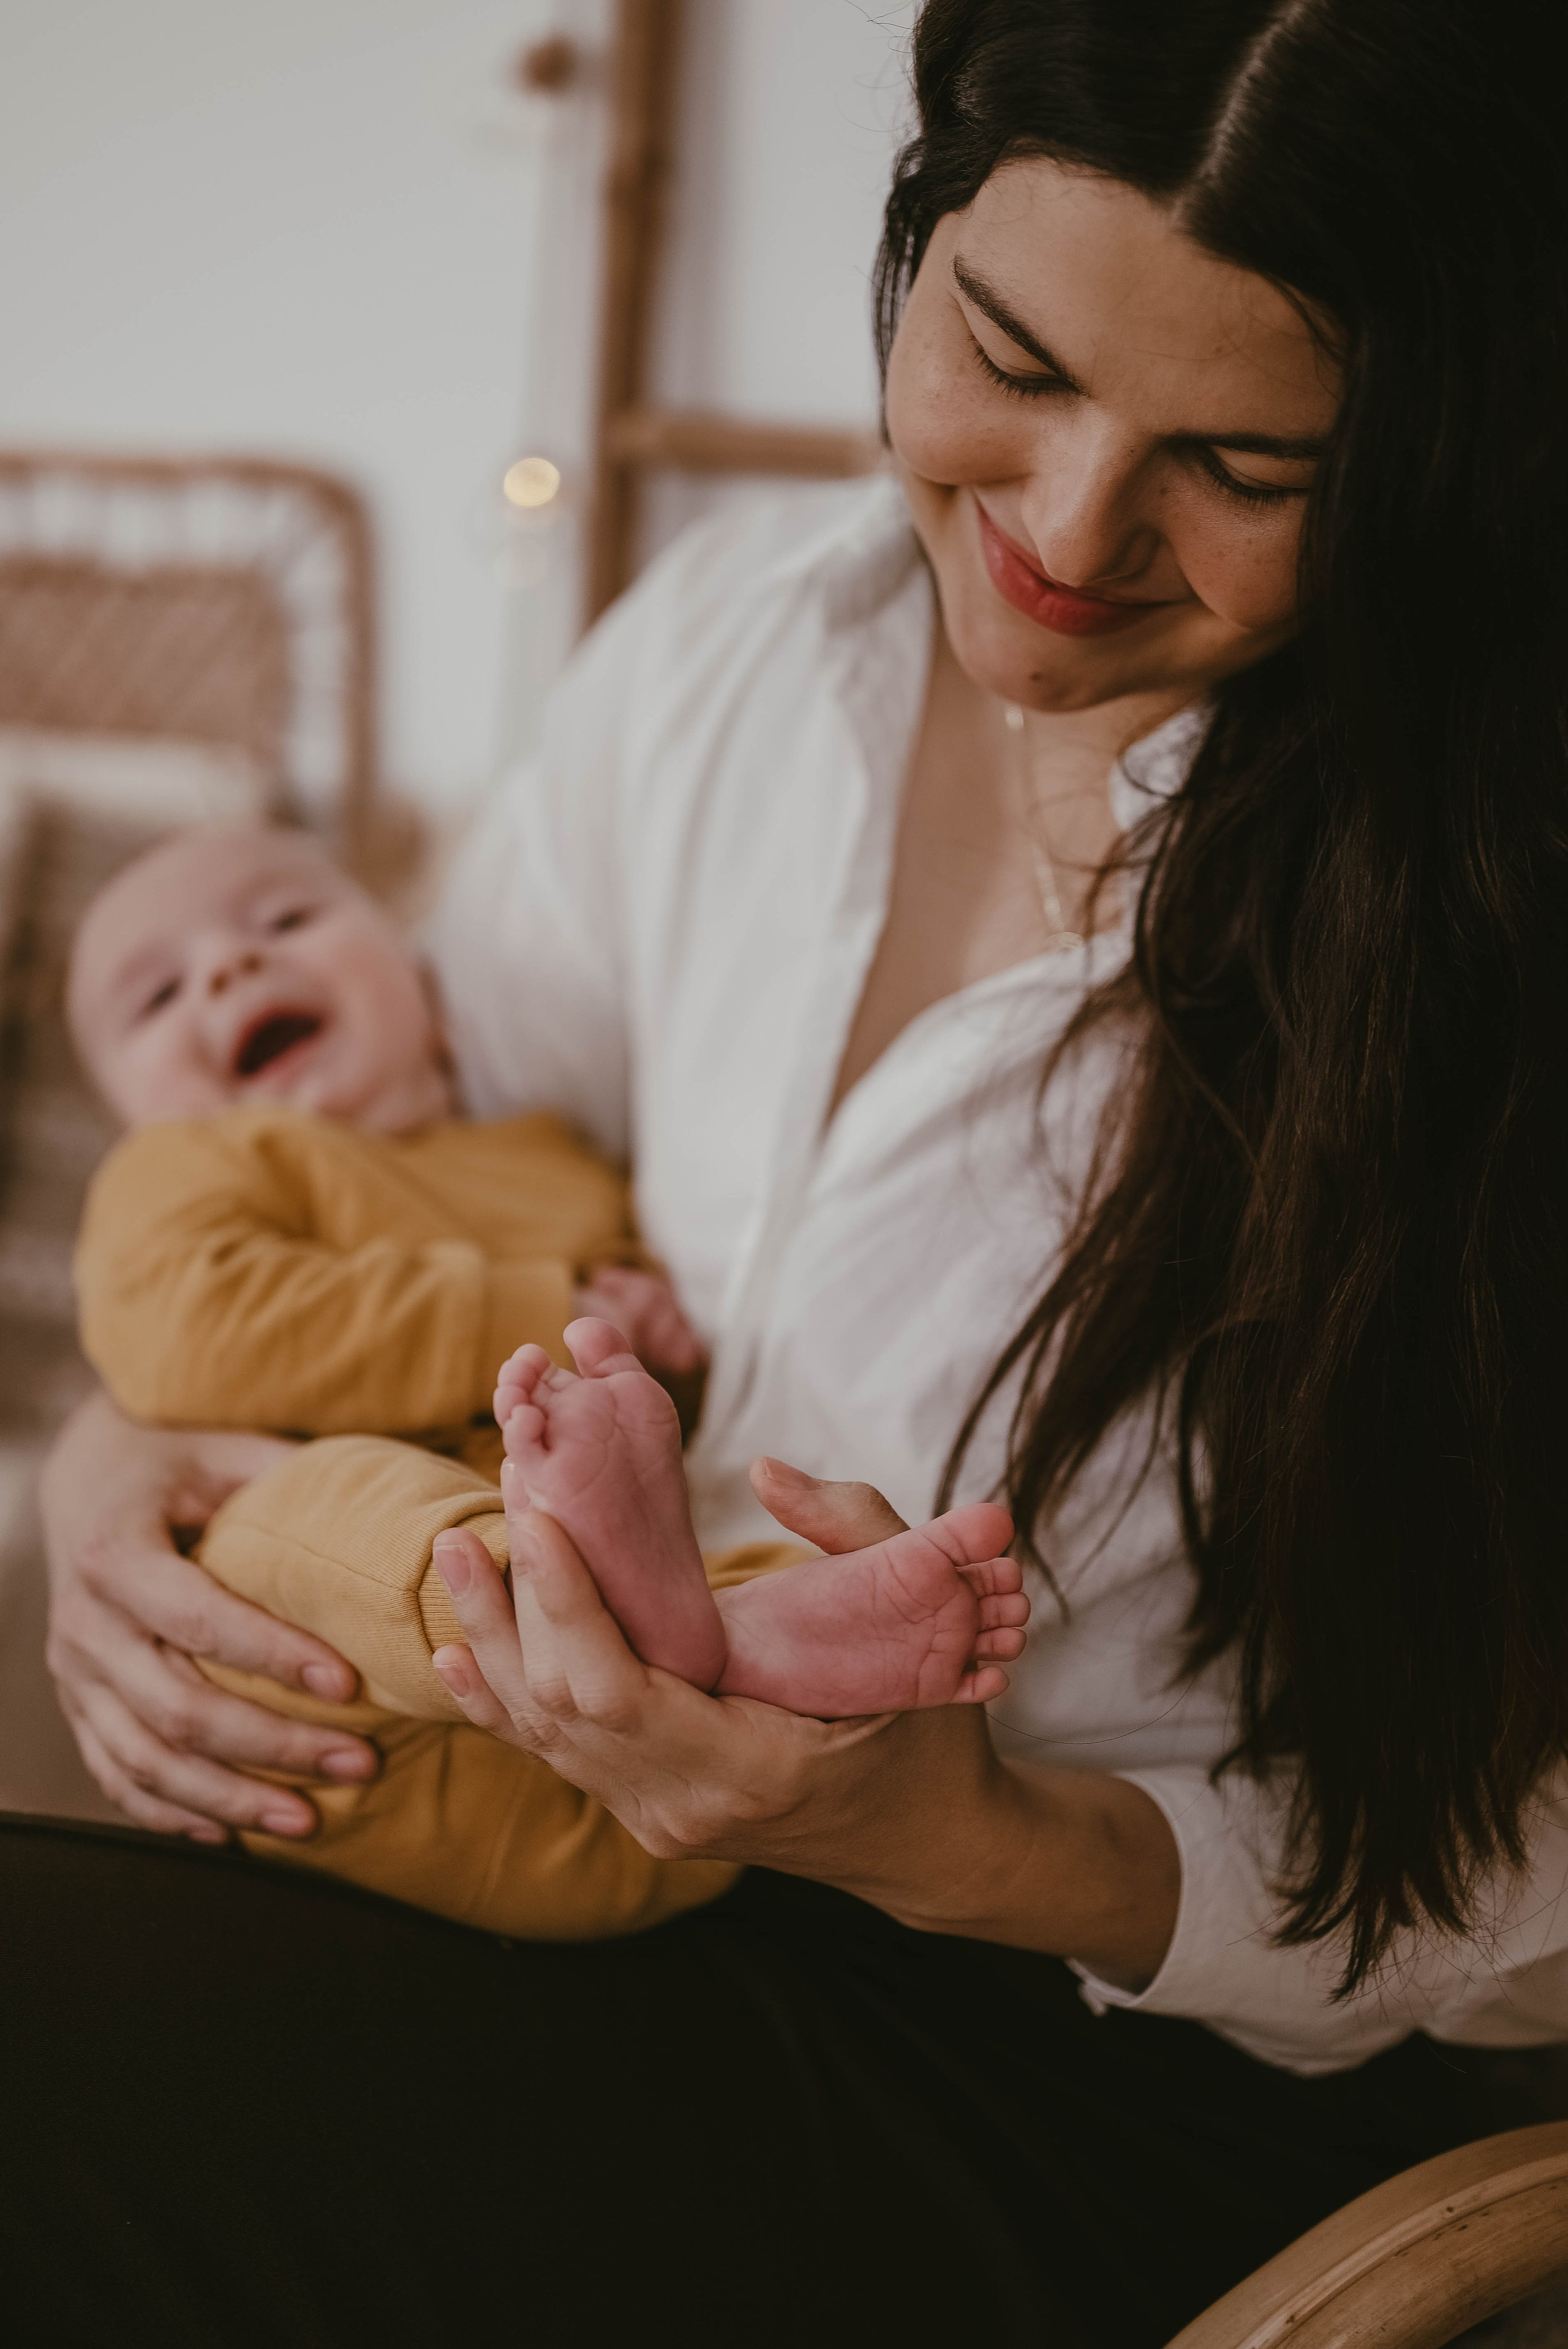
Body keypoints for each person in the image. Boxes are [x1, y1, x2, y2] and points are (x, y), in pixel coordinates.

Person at [9, 2, 1567, 2342]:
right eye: (1008, 355)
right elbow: (412, 1147)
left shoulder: (1494, 930)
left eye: (1245, 462)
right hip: (631, 1875)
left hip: (1113, 2065)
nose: (1062, 533)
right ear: (919, 224)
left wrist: (980, 1842)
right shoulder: (744, 651)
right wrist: (128, 1448)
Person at [65, 821, 1023, 1932]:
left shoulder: (553, 1164)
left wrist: (650, 1354)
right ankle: (569, 1595)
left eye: (284, 920)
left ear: (421, 977)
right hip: (315, 1695)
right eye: (156, 995)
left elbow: (640, 1432)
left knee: (700, 1554)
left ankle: (754, 1635)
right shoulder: (189, 1165)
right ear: (123, 1115)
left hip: (635, 1805)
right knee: (304, 1504)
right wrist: (538, 1309)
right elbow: (191, 1334)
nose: (228, 968)